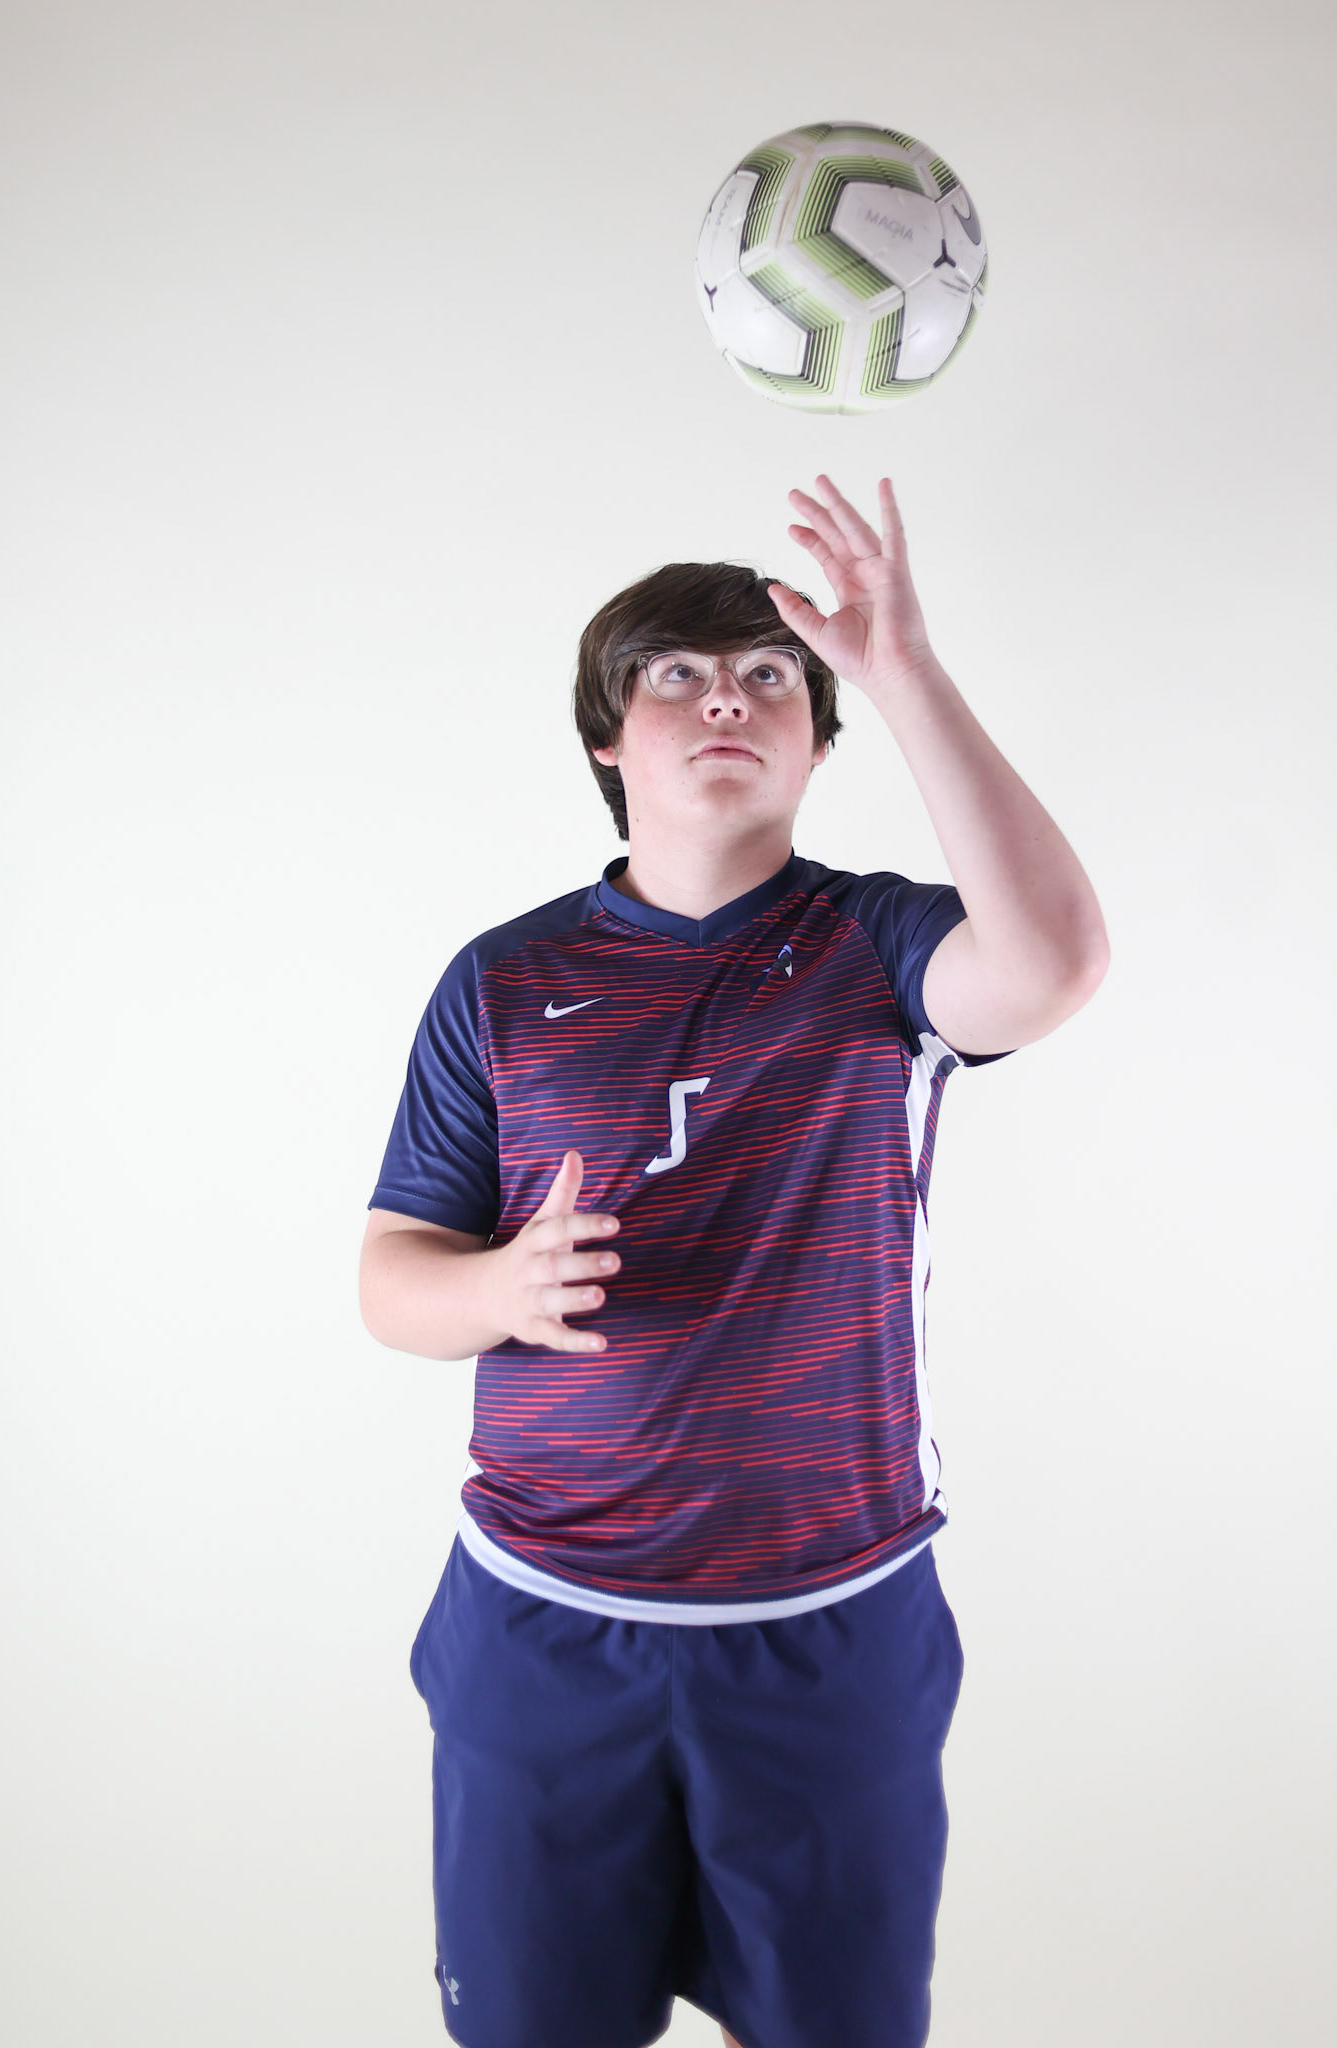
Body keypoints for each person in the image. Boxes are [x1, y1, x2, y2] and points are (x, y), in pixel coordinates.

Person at [359, 474, 1109, 2048]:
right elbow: (392, 1277)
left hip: (830, 1627)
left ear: (820, 744)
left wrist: (898, 664)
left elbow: (1049, 964)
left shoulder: (879, 946)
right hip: (540, 1626)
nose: (726, 697)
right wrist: (497, 1289)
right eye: (676, 674)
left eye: (771, 674)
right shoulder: (503, 981)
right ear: (605, 739)